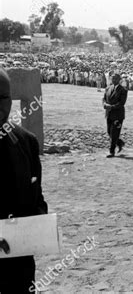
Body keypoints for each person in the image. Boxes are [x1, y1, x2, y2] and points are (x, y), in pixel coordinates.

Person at [0, 68, 48, 292]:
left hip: (19, 266)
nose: (0, 106)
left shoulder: (26, 142)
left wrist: (39, 223)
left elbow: (37, 198)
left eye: (4, 98)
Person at [103, 73, 127, 158]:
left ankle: (111, 151)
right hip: (109, 113)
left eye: (115, 79)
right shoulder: (108, 88)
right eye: (112, 78)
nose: (114, 80)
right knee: (109, 131)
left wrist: (111, 107)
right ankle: (119, 142)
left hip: (118, 115)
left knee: (115, 133)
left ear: (119, 80)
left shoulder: (123, 90)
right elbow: (104, 99)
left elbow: (121, 103)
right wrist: (105, 105)